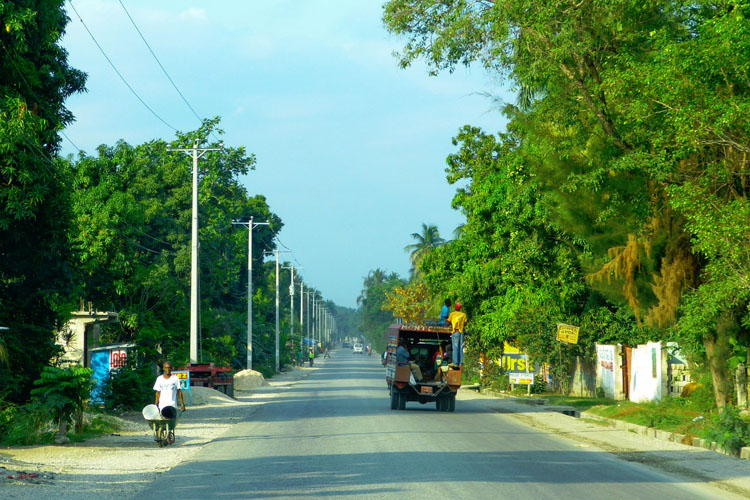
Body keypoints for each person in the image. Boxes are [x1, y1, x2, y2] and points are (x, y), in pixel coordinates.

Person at [153, 361, 185, 445]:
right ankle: (161, 433)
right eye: (166, 368)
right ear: (163, 368)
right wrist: (155, 405)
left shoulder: (175, 379)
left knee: (170, 420)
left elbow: (179, 391)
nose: (168, 369)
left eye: (169, 368)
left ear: (172, 368)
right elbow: (157, 393)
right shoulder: (159, 379)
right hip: (162, 404)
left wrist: (182, 404)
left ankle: (168, 435)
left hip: (172, 403)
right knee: (162, 420)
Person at [447, 302, 468, 367]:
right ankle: (461, 363)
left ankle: (455, 363)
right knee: (461, 347)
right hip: (461, 332)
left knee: (455, 347)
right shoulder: (463, 315)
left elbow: (449, 321)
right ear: (460, 308)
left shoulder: (452, 314)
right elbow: (465, 323)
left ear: (455, 307)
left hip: (455, 332)